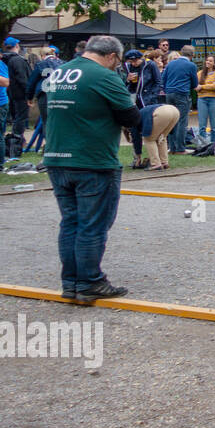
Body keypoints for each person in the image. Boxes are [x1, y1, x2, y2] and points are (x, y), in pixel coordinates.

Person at [43, 35, 140, 303]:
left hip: (56, 156)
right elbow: (131, 117)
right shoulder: (104, 77)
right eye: (118, 61)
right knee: (92, 224)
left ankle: (71, 283)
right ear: (112, 56)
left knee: (71, 222)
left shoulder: (60, 71)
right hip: (92, 159)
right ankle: (89, 282)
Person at [161, 45, 198, 154]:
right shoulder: (191, 65)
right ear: (192, 55)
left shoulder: (171, 63)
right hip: (182, 93)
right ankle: (180, 148)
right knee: (182, 121)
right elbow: (194, 83)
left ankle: (172, 148)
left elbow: (163, 79)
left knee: (171, 121)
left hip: (169, 93)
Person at [2, 36, 31, 141]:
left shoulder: (4, 59)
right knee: (21, 118)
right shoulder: (18, 60)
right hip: (20, 94)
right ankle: (16, 140)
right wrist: (29, 94)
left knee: (15, 117)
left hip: (9, 93)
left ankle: (16, 139)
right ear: (17, 46)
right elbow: (22, 79)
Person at [139, 102, 180, 169]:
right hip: (174, 110)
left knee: (149, 139)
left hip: (162, 112)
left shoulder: (132, 122)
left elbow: (136, 139)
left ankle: (156, 164)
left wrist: (138, 157)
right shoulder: (141, 112)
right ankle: (164, 162)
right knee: (162, 138)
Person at [196, 54, 215, 146]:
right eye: (207, 60)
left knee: (214, 125)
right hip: (202, 99)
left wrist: (202, 86)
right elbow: (196, 87)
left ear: (214, 63)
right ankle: (202, 144)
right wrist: (209, 85)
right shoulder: (199, 73)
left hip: (214, 99)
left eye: (210, 61)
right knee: (202, 124)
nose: (208, 62)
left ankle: (213, 144)